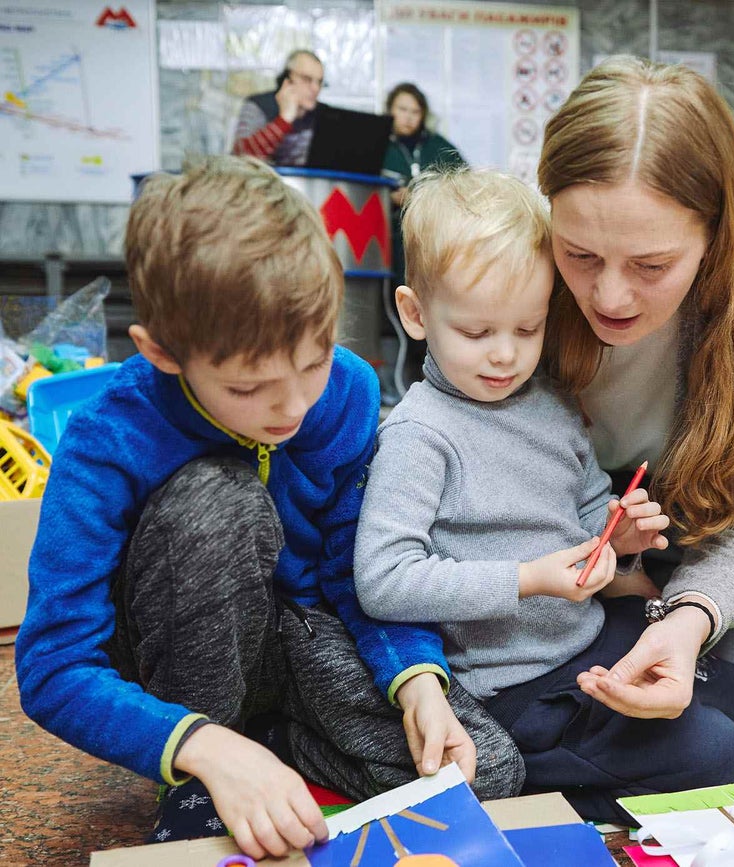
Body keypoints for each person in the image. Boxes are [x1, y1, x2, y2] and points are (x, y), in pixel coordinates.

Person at [14, 156, 523, 860]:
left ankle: (279, 744)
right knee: (217, 500)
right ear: (162, 351)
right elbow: (53, 666)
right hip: (185, 666)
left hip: (300, 639)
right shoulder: (110, 438)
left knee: (486, 770)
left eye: (313, 361)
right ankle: (208, 771)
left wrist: (417, 684)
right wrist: (202, 743)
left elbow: (357, 568)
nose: (291, 407)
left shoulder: (345, 390)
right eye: (249, 387)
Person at [354, 168, 734, 823]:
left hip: (583, 637)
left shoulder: (548, 404)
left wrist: (618, 540)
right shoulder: (419, 433)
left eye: (526, 328)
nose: (504, 356)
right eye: (478, 333)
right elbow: (383, 579)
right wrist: (527, 578)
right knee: (715, 750)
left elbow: (581, 518)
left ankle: (596, 754)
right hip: (507, 684)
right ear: (415, 314)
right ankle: (522, 783)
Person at [536, 56, 734, 713]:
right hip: (557, 530)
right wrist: (612, 574)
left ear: (717, 235)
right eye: (580, 255)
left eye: (652, 264)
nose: (610, 295)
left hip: (714, 524)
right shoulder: (518, 255)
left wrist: (689, 617)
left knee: (723, 696)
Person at [382, 83, 468, 392]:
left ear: (423, 115)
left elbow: (462, 181)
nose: (407, 117)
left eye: (414, 111)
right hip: (389, 236)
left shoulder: (437, 145)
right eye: (401, 109)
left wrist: (416, 193)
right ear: (390, 109)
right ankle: (401, 375)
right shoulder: (379, 143)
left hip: (433, 236)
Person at [231, 49, 323, 165]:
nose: (315, 88)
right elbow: (241, 158)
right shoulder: (258, 106)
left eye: (319, 82)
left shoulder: (325, 116)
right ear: (287, 79)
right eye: (306, 79)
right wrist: (284, 119)